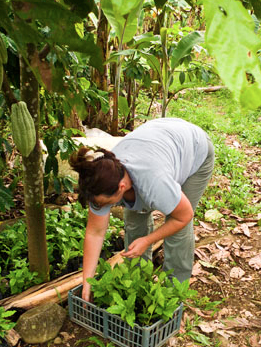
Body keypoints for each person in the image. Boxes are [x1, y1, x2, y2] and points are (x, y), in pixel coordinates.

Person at [69, 118, 215, 302]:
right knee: (134, 219)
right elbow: (95, 232)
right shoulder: (100, 180)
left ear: (121, 187)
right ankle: (138, 284)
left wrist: (148, 240)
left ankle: (174, 294)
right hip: (156, 142)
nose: (103, 208)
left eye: (106, 204)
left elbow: (183, 216)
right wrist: (87, 283)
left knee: (176, 227)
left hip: (195, 150)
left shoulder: (154, 182)